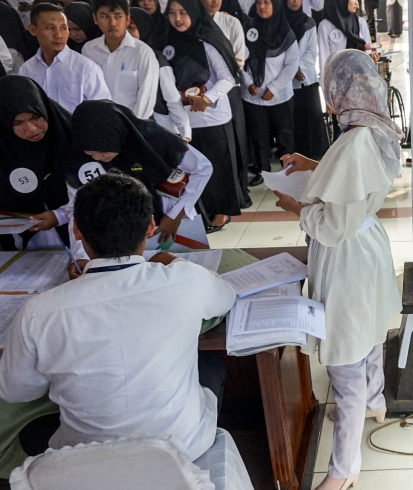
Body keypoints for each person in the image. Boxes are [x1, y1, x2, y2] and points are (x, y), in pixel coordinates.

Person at [0, 171, 252, 487]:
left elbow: (17, 390)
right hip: (181, 450)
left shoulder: (38, 310)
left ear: (76, 231)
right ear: (150, 225)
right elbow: (224, 298)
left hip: (84, 461)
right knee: (210, 364)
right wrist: (170, 262)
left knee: (39, 426)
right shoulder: (185, 279)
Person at [272, 50, 402, 490]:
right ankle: (374, 400)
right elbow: (348, 178)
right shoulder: (369, 127)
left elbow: (330, 224)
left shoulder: (354, 141)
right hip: (365, 246)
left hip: (346, 255)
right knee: (366, 332)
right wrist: (314, 166)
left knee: (345, 357)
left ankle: (344, 468)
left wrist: (296, 208)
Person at [68, 101, 211, 259]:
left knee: (183, 269)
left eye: (102, 150)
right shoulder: (89, 161)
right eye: (90, 153)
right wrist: (80, 255)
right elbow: (81, 203)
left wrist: (175, 215)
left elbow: (203, 167)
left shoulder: (156, 138)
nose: (97, 158)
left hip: (171, 221)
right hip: (124, 231)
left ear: (117, 133)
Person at [164, 0, 243, 231]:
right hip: (182, 119)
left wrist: (207, 98)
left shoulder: (208, 41)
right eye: (172, 13)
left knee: (217, 167)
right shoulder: (166, 42)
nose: (178, 19)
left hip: (211, 117)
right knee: (192, 170)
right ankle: (200, 213)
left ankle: (222, 211)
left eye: (184, 13)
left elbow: (228, 77)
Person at [0, 76, 81, 251]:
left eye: (36, 116)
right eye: (18, 123)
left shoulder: (73, 139)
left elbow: (94, 193)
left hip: (81, 240)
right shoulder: (4, 151)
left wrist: (58, 216)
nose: (31, 129)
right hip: (24, 249)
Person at [192, 0, 253, 203]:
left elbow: (237, 62)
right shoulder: (190, 24)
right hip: (196, 97)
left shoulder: (230, 22)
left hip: (229, 90)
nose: (215, 0)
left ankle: (239, 192)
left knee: (236, 142)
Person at [242, 0, 299, 182]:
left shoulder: (285, 32)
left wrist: (273, 89)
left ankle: (288, 171)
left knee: (284, 135)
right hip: (254, 95)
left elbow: (292, 64)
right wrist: (249, 83)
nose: (262, 6)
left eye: (267, 2)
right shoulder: (249, 30)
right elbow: (239, 61)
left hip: (280, 95)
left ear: (275, 4)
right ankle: (263, 171)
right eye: (258, 2)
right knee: (259, 136)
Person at [82, 0, 159, 120]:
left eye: (118, 16)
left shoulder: (142, 52)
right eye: (105, 16)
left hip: (131, 125)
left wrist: (132, 129)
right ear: (95, 18)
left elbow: (146, 98)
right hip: (98, 122)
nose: (112, 23)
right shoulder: (89, 50)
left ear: (127, 18)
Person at [20, 3, 110, 113]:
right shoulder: (26, 70)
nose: (59, 35)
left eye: (63, 28)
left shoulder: (86, 68)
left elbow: (102, 112)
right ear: (33, 30)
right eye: (50, 28)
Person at [128, 6, 190, 139]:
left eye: (132, 28)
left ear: (144, 28)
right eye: (125, 28)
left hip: (160, 127)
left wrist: (185, 133)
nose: (126, 34)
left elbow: (172, 99)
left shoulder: (156, 60)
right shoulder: (121, 57)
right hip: (131, 126)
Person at [283, 0, 328, 159]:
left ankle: (316, 152)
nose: (295, 1)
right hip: (286, 81)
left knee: (312, 115)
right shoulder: (280, 23)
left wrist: (298, 67)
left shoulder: (308, 23)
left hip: (306, 78)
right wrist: (291, 70)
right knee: (293, 119)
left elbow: (312, 51)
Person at [317, 0, 373, 90]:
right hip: (337, 87)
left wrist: (373, 59)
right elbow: (324, 63)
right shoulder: (326, 26)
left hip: (361, 84)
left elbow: (368, 53)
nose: (356, 2)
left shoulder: (360, 23)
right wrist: (327, 97)